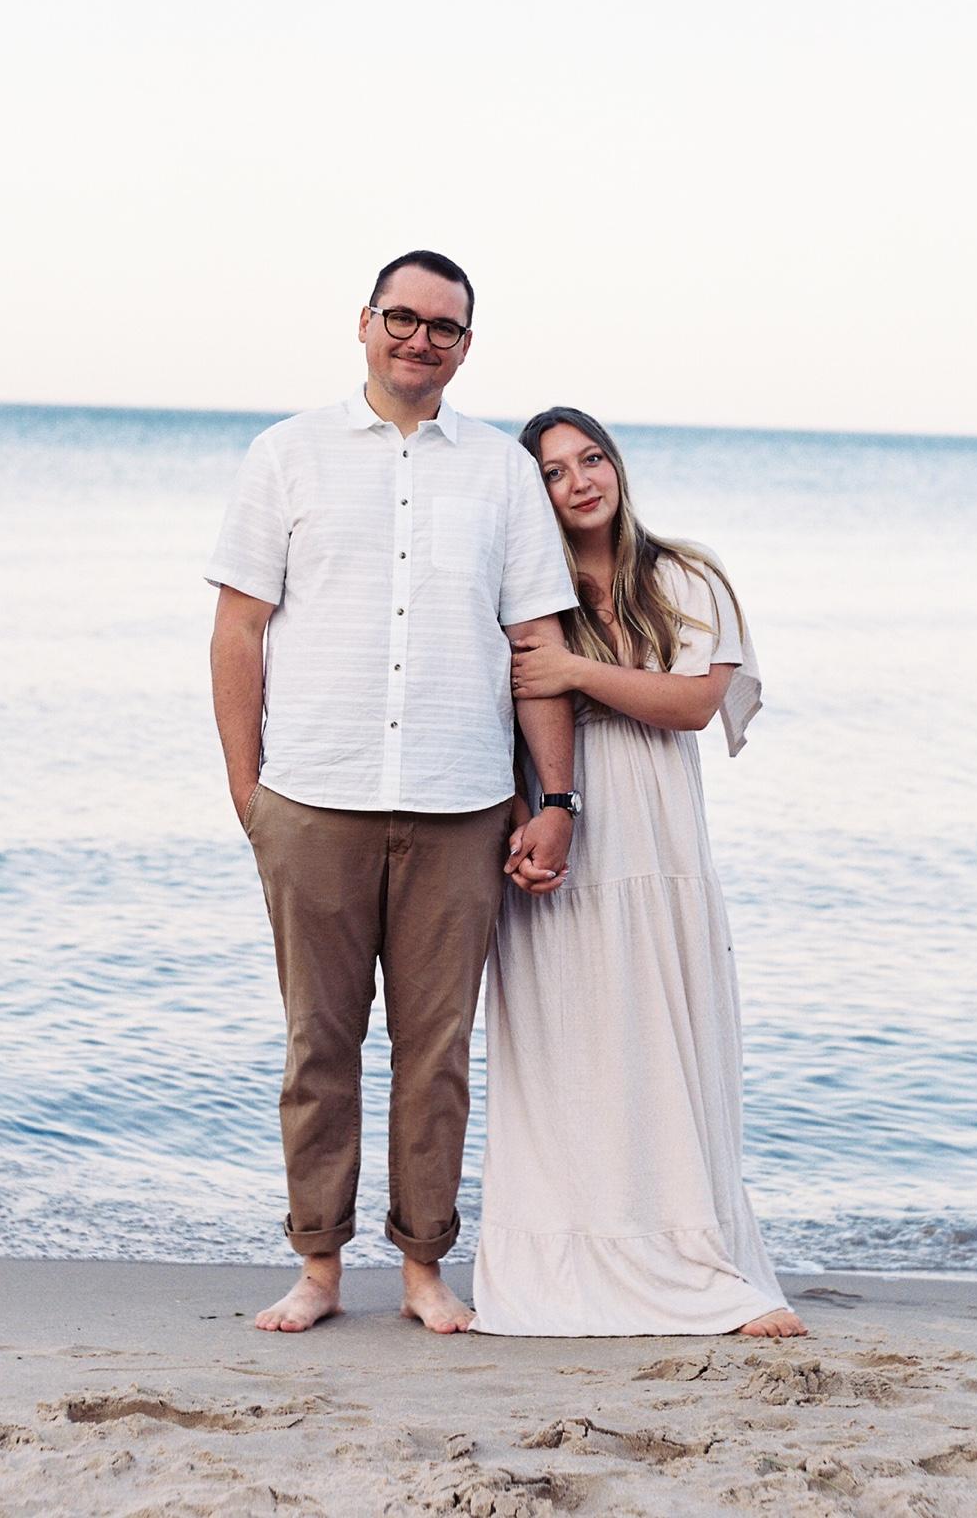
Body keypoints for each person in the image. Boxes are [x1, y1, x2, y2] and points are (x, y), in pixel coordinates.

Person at [205, 251, 581, 1335]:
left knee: (437, 1053)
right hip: (312, 798)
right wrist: (247, 792)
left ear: (465, 346)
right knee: (318, 1046)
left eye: (444, 327)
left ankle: (423, 1266)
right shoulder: (285, 455)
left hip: (462, 807)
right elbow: (238, 629)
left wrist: (556, 801)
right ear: (365, 323)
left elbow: (535, 643)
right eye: (403, 319)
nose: (421, 340)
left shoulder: (502, 473)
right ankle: (318, 1266)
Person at [471, 406, 807, 1339]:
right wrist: (522, 819)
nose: (579, 481)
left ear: (616, 466)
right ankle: (564, 1268)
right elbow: (492, 715)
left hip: (658, 845)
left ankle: (694, 1261)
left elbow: (694, 704)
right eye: (552, 472)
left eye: (591, 459)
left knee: (665, 1045)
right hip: (560, 840)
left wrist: (575, 672)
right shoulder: (523, 589)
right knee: (567, 1058)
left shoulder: (684, 575)